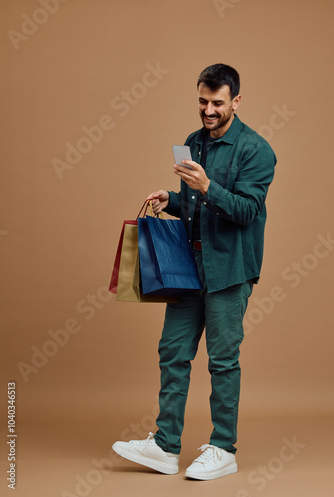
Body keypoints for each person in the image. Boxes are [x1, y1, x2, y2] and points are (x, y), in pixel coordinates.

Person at [113, 63, 277, 480]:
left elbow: (246, 211)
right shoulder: (192, 142)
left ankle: (223, 448)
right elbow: (194, 206)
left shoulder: (257, 151)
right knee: (173, 352)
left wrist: (206, 187)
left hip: (230, 271)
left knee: (222, 361)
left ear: (236, 101)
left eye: (217, 103)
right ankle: (166, 446)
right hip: (188, 267)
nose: (208, 110)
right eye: (203, 100)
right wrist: (171, 198)